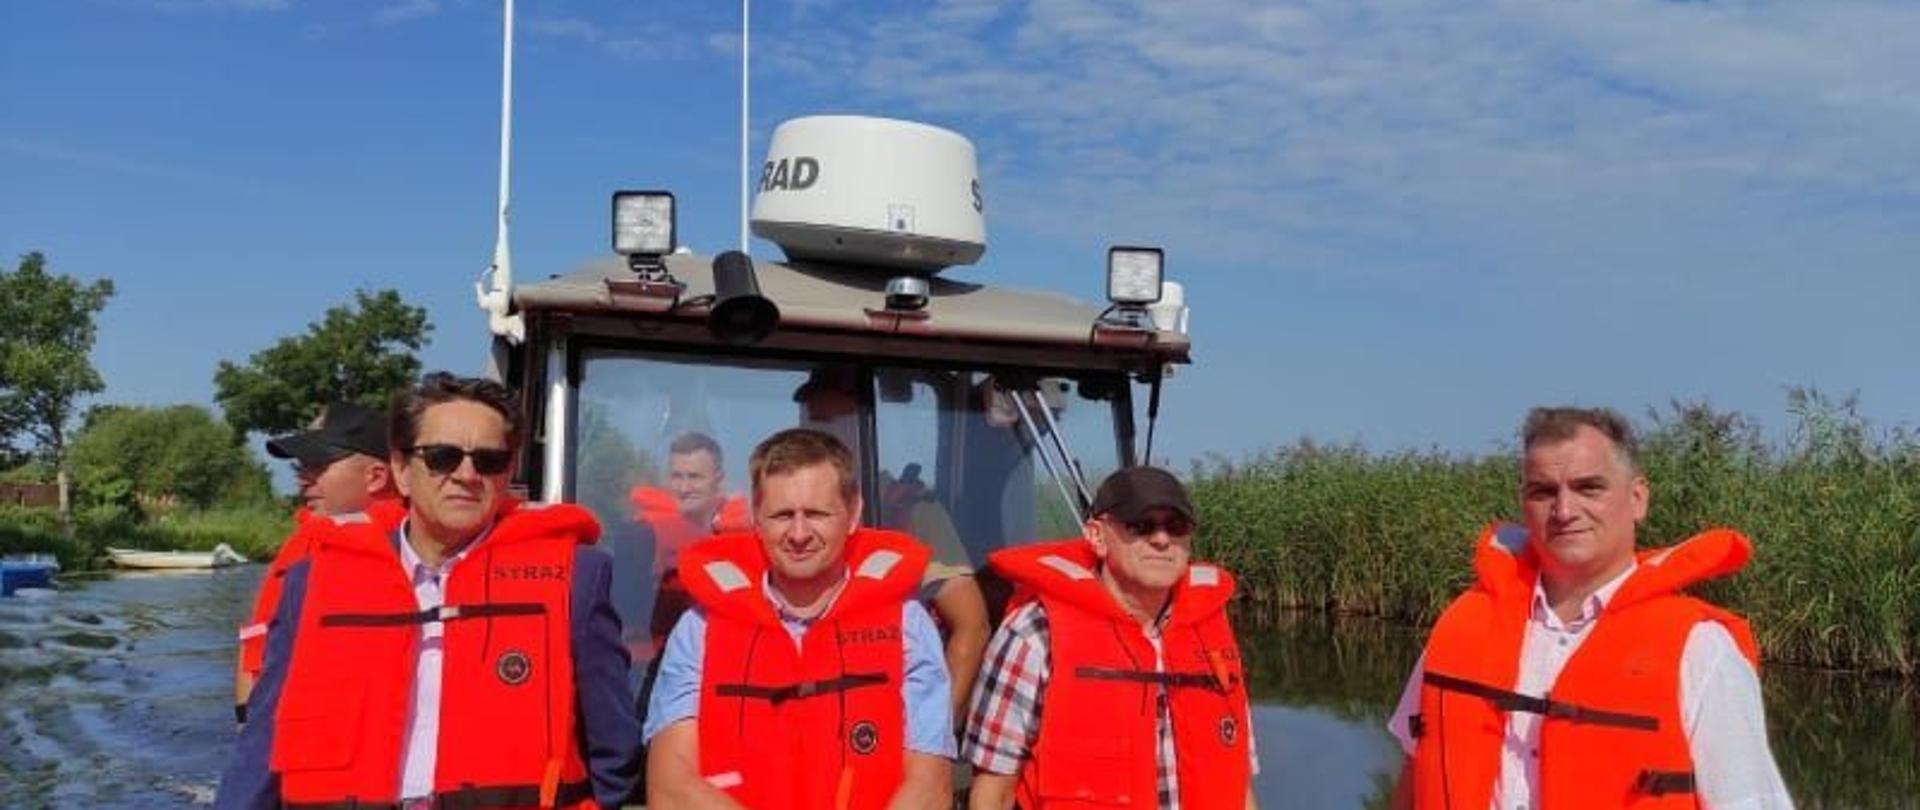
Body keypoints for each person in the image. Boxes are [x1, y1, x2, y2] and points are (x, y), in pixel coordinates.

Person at [215, 373, 641, 810]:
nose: (467, 475)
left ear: (508, 471)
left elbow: (614, 749)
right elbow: (261, 745)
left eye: (489, 460)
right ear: (400, 469)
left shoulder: (578, 579)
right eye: (442, 457)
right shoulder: (312, 583)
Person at [1387, 406, 1792, 809]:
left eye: (1588, 488)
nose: (1564, 511)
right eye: (1543, 491)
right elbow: (1412, 778)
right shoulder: (1462, 626)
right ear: (1524, 503)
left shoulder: (1700, 650)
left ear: (1637, 499)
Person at [644, 428, 955, 809]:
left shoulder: (908, 627)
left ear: (853, 512)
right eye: (782, 515)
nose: (799, 533)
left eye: (817, 514)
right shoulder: (700, 631)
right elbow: (671, 787)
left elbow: (929, 786)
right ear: (757, 516)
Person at [966, 465, 1257, 810]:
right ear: (1097, 536)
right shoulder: (1035, 634)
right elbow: (993, 791)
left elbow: (1238, 784)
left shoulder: (1211, 637)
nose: (1162, 539)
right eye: (1140, 525)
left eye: (1176, 526)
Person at [234, 401, 404, 718]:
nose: (302, 481)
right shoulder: (304, 543)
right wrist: (246, 726)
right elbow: (256, 646)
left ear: (376, 476)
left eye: (317, 465)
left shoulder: (422, 551)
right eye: (301, 468)